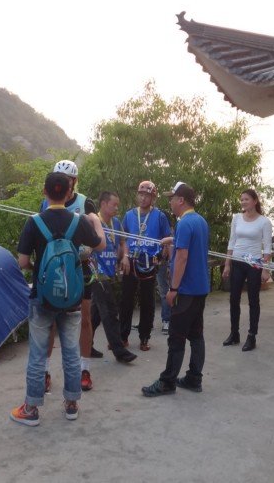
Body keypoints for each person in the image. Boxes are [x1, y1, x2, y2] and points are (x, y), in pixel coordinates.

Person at [10, 172, 104, 426]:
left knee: (38, 354)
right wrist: (96, 221)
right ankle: (71, 404)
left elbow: (22, 261)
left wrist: (39, 269)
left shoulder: (34, 222)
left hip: (42, 298)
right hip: (72, 298)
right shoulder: (78, 221)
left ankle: (31, 409)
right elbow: (100, 245)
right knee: (71, 352)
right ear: (69, 193)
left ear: (45, 192)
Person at [142, 182, 209, 397]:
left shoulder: (184, 223)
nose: (170, 202)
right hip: (200, 288)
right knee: (196, 335)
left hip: (186, 290)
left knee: (176, 337)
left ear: (181, 200)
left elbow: (181, 257)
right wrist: (172, 239)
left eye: (172, 198)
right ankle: (194, 378)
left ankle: (167, 382)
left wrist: (173, 288)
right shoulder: (200, 221)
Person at [40, 160, 99, 392]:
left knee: (85, 318)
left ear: (74, 181)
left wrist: (87, 249)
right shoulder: (46, 203)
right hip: (55, 268)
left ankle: (85, 369)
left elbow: (95, 235)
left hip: (80, 268)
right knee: (50, 322)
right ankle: (45, 371)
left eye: (67, 179)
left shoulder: (85, 203)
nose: (62, 183)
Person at [120, 181, 172, 351]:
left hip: (149, 262)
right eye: (141, 194)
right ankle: (123, 336)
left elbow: (167, 240)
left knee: (147, 301)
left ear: (153, 198)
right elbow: (123, 238)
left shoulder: (160, 216)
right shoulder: (129, 215)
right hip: (131, 261)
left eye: (147, 195)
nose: (143, 198)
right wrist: (124, 257)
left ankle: (144, 337)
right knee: (126, 300)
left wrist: (163, 257)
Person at [90, 191, 137, 363]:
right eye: (114, 205)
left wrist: (125, 256)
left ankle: (85, 344)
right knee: (110, 312)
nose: (117, 208)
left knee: (95, 315)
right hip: (97, 273)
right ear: (103, 204)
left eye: (118, 205)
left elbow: (123, 242)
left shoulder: (116, 223)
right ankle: (119, 350)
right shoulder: (93, 222)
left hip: (110, 273)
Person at [222, 189, 272, 351]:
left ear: (255, 201)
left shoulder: (264, 222)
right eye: (242, 199)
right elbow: (232, 242)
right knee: (233, 298)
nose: (243, 202)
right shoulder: (236, 218)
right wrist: (227, 264)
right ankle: (234, 333)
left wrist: (265, 269)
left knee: (253, 300)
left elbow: (267, 248)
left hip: (254, 264)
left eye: (246, 199)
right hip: (237, 262)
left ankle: (252, 336)